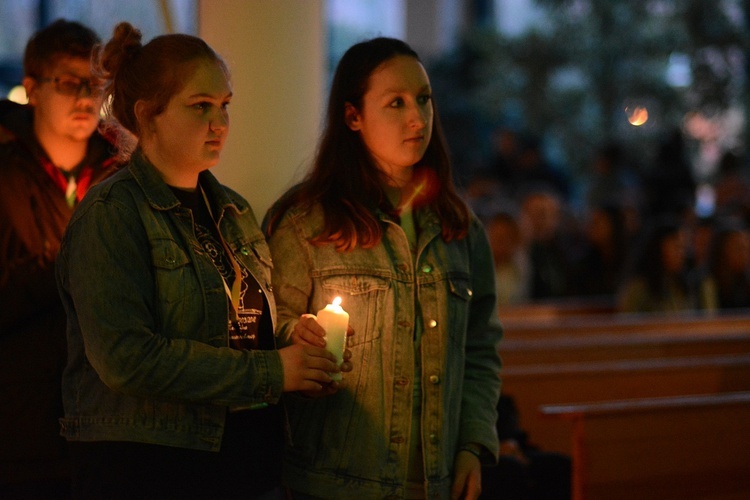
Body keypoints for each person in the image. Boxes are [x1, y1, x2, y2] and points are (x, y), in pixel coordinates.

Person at [55, 22, 346, 499]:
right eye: (200, 107)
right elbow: (126, 359)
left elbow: (241, 325)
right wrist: (276, 372)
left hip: (243, 461)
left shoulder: (231, 210)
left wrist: (299, 339)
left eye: (225, 105)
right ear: (148, 115)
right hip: (151, 467)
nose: (219, 123)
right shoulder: (113, 214)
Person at [264, 37, 503, 499]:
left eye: (424, 99)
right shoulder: (307, 224)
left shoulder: (457, 227)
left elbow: (479, 349)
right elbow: (265, 333)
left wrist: (473, 445)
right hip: (338, 482)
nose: (417, 118)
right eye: (396, 103)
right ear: (353, 116)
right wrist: (299, 338)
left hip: (435, 481)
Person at [0, 19, 118, 497]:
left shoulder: (122, 176)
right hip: (20, 419)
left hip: (104, 421)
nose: (86, 99)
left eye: (95, 84)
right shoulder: (6, 176)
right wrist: (69, 272)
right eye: (69, 83)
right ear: (32, 89)